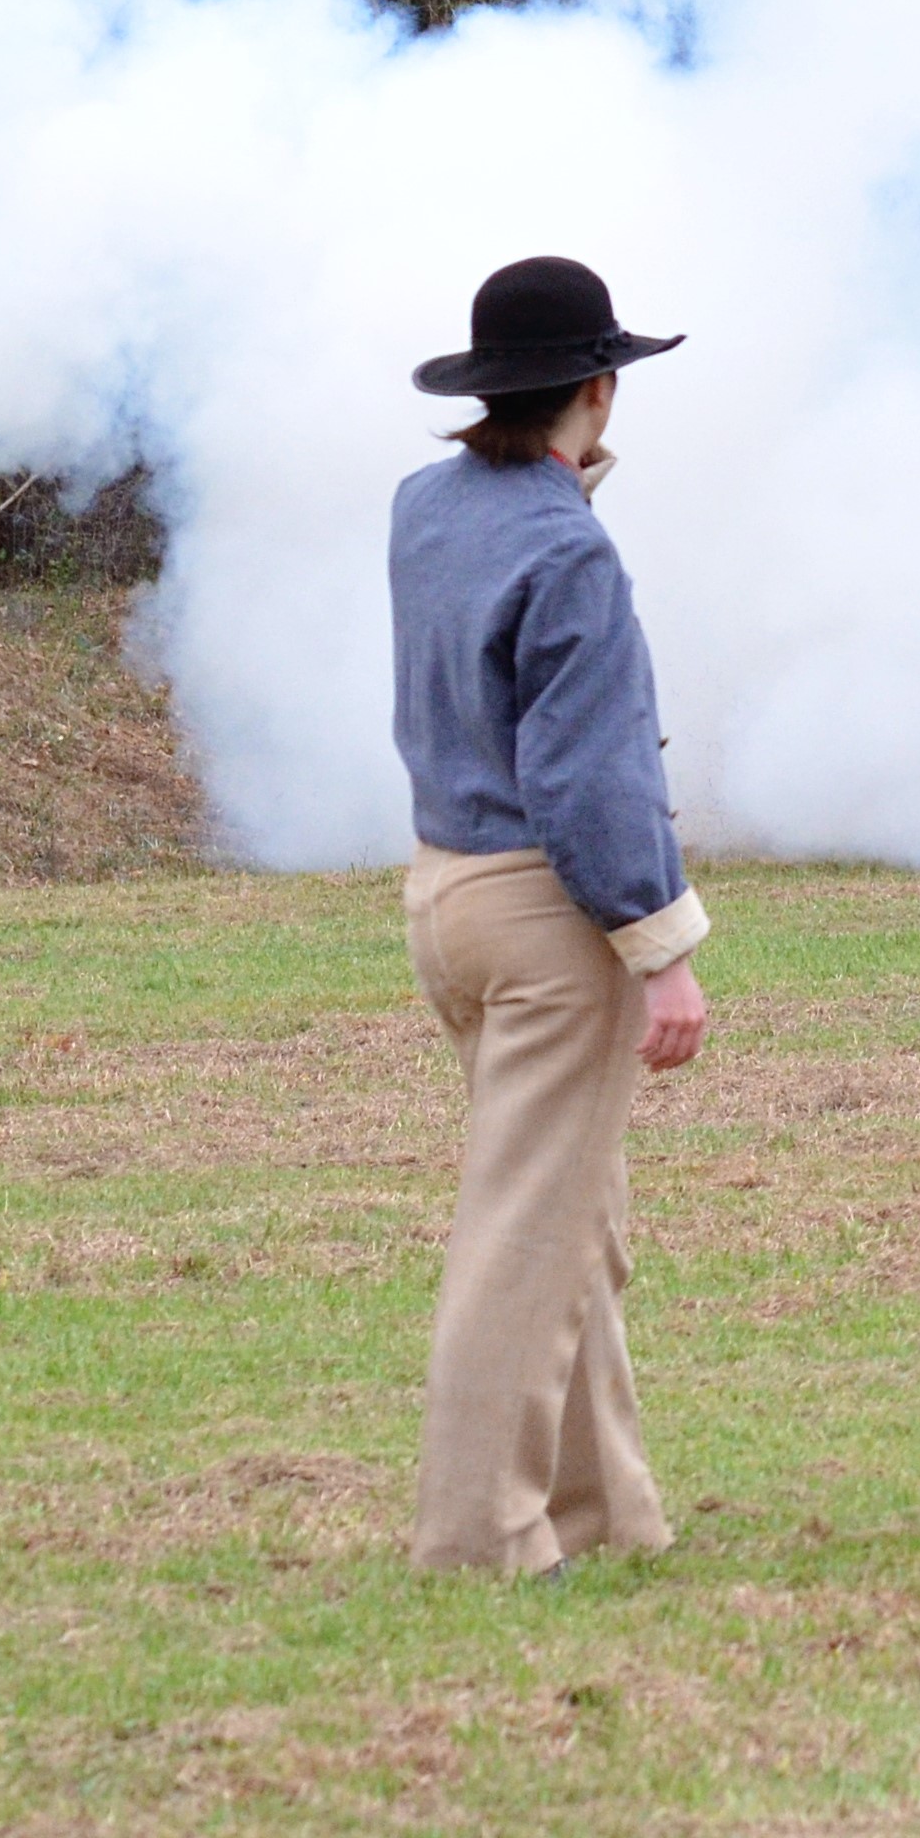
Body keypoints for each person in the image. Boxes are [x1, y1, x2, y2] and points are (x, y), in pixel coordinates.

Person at [392, 255, 715, 1575]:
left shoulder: (426, 504)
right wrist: (662, 948)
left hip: (444, 896)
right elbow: (590, 778)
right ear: (596, 388)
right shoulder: (567, 549)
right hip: (544, 911)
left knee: (570, 1219)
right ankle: (480, 1537)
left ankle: (605, 1514)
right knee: (528, 1236)